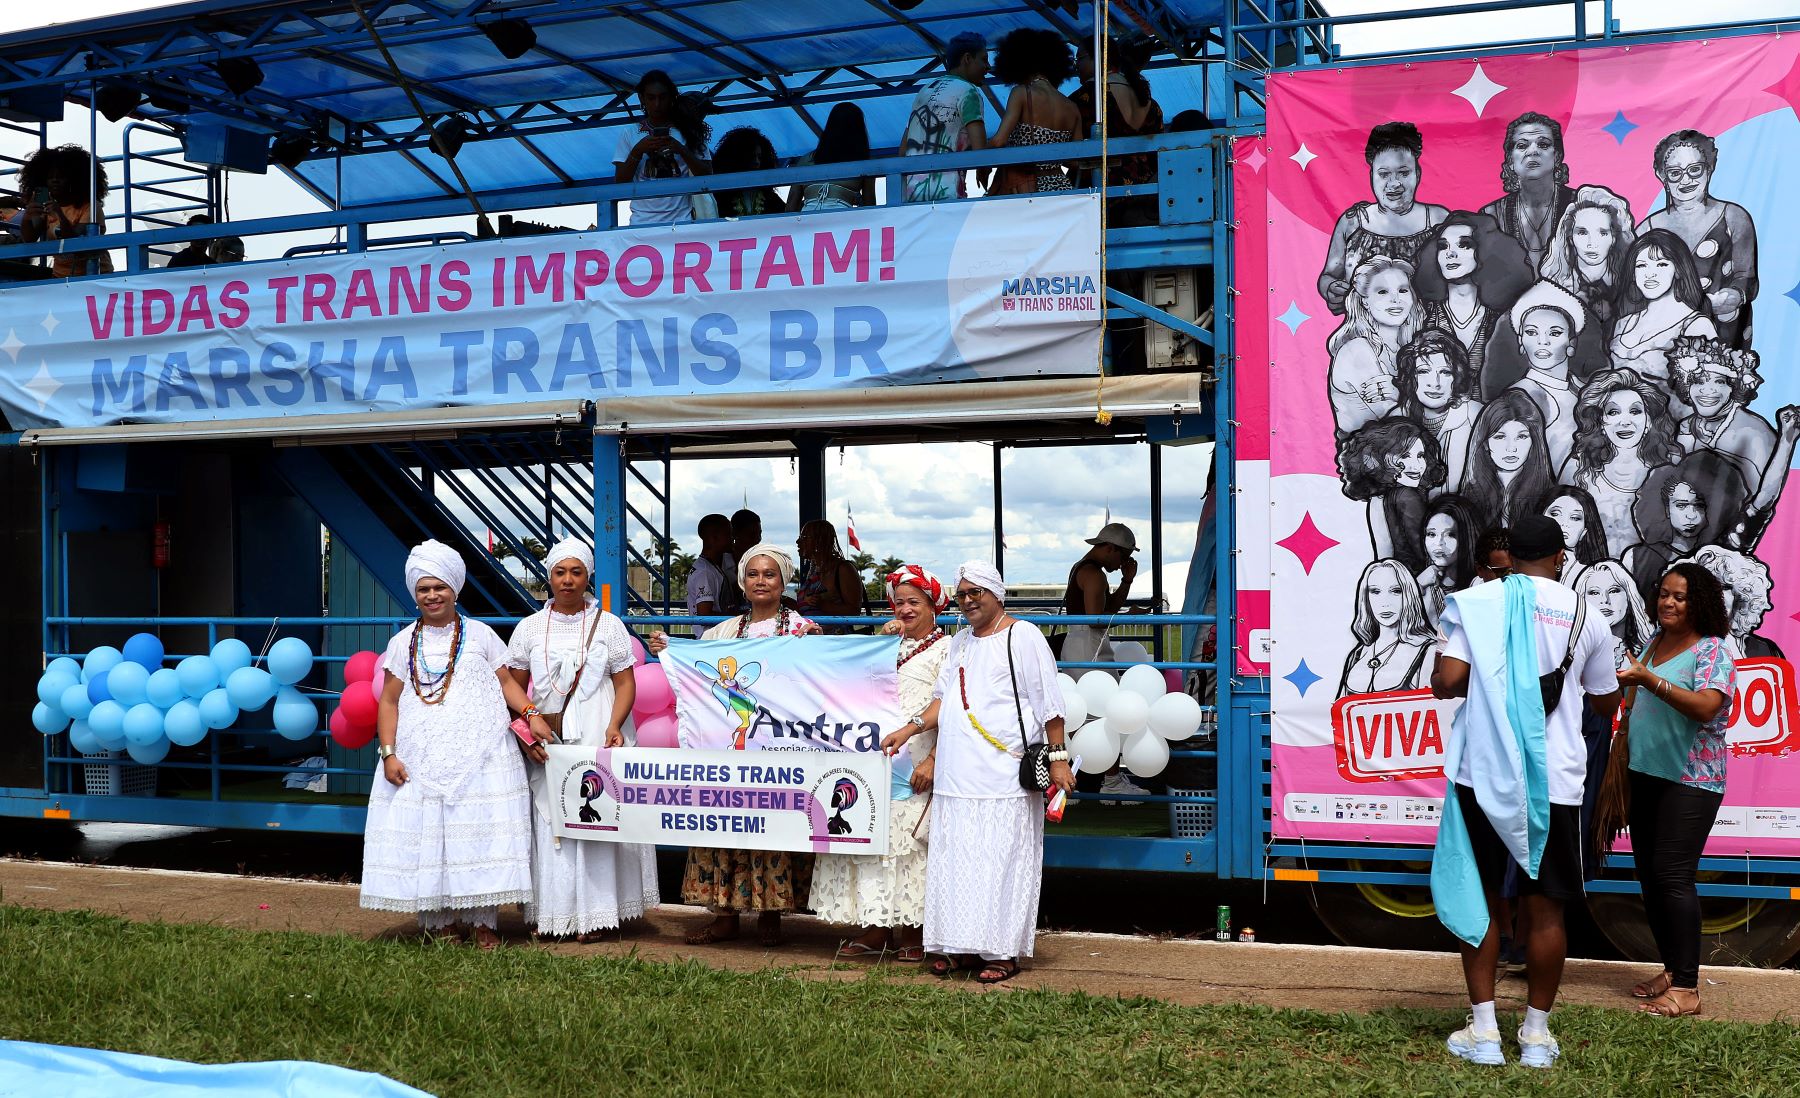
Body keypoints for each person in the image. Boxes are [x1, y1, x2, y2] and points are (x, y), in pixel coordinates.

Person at [1430, 515, 1621, 1068]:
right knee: (1546, 913)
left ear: (1509, 555)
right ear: (1561, 557)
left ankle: (1485, 1032)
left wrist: (1495, 671)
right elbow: (1605, 702)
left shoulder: (1480, 603)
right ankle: (1536, 1038)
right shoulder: (1588, 615)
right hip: (1556, 781)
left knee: (1486, 902)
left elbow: (1446, 682)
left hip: (1484, 774)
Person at [880, 561, 1073, 985]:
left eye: (975, 592)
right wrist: (908, 728)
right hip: (956, 773)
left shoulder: (1023, 636)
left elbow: (1049, 701)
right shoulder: (960, 641)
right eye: (962, 594)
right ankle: (958, 946)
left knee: (1001, 859)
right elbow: (941, 701)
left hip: (1004, 774)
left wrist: (1058, 757)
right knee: (957, 859)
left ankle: (1001, 952)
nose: (967, 601)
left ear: (996, 593)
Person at [359, 540, 535, 950]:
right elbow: (387, 700)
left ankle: (483, 922)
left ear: (455, 589)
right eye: (424, 589)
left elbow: (506, 682)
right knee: (432, 836)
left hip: (482, 755)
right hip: (421, 756)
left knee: (478, 836)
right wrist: (388, 753)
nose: (432, 595)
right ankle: (440, 923)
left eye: (440, 587)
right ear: (414, 593)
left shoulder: (482, 635)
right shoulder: (403, 642)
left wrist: (530, 714)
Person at [647, 543, 821, 946]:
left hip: (778, 755)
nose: (761, 581)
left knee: (773, 829)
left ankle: (771, 917)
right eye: (754, 575)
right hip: (731, 754)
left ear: (783, 582)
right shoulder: (722, 632)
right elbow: (695, 670)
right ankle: (723, 915)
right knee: (726, 826)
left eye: (770, 574)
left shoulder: (802, 630)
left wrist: (816, 645)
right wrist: (670, 650)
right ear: (743, 583)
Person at [504, 538, 659, 941]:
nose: (568, 581)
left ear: (587, 576)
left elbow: (625, 683)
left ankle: (596, 914)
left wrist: (615, 725)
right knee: (552, 815)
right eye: (560, 572)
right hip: (548, 734)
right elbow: (513, 687)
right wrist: (529, 722)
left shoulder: (609, 624)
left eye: (576, 572)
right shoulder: (529, 627)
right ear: (549, 576)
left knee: (597, 812)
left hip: (598, 729)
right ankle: (553, 912)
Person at [813, 565, 953, 961]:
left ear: (934, 607)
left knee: (909, 847)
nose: (905, 609)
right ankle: (875, 927)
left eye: (915, 602)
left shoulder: (947, 650)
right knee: (872, 840)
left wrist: (932, 760)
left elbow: (955, 710)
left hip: (918, 761)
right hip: (874, 760)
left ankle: (912, 930)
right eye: (900, 602)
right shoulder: (885, 646)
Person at [1614, 561, 1735, 1018]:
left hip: (1692, 780)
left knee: (1673, 877)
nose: (1668, 602)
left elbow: (1706, 707)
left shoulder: (1713, 650)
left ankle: (1687, 988)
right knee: (1651, 879)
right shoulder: (1655, 642)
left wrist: (1649, 680)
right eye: (1664, 593)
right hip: (1646, 773)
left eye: (1679, 596)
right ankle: (1671, 969)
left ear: (1698, 602)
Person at [1639, 130, 1757, 347]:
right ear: (1661, 175)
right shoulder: (1647, 229)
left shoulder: (1734, 217)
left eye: (1695, 170)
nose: (1686, 180)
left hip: (1723, 335)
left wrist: (1734, 296)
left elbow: (1747, 279)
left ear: (1709, 168)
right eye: (1675, 172)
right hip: (1664, 338)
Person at [1317, 122, 1449, 314]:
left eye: (1403, 173)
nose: (1394, 184)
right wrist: (1331, 288)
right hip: (1365, 338)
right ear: (1372, 175)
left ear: (1417, 174)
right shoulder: (1353, 221)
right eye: (1384, 174)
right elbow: (1328, 275)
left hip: (1427, 336)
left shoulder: (1439, 220)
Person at [1409, 211, 1535, 400]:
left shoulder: (1505, 320)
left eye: (1464, 245)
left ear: (1486, 252)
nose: (1450, 253)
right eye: (1443, 247)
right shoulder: (1422, 315)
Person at [1564, 368, 1682, 559]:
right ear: (1601, 421)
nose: (1625, 422)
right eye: (1613, 412)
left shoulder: (1671, 468)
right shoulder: (1578, 468)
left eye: (1635, 411)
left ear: (1649, 421)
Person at [1669, 338, 1800, 507]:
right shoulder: (1687, 426)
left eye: (1720, 382)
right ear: (1687, 386)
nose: (1707, 390)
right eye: (1698, 381)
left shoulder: (1754, 433)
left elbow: (1766, 501)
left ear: (1734, 387)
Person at [1626, 449, 1748, 605]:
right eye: (1681, 505)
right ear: (1666, 509)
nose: (1691, 515)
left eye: (1699, 506)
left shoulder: (1722, 561)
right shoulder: (1636, 557)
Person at [1608, 229, 1717, 401]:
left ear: (1679, 270)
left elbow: (1708, 394)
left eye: (1661, 264)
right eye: (1641, 265)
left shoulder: (1697, 325)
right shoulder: (1623, 323)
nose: (1650, 273)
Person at [1327, 255, 1424, 437]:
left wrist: (1400, 391)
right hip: (1367, 458)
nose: (1395, 300)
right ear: (1364, 301)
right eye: (1382, 292)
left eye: (1403, 290)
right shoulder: (1356, 350)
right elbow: (1399, 424)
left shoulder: (1410, 348)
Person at [1072, 37, 1162, 225]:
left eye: (1079, 58)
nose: (1076, 66)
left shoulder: (1088, 96)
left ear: (1097, 57)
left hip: (1106, 193)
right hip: (1147, 194)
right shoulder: (1150, 102)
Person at [1336, 417, 1444, 573]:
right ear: (1381, 458)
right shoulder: (1406, 496)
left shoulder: (1379, 497)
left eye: (1420, 455)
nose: (1416, 466)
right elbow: (1427, 551)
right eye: (1405, 456)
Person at [985, 28, 1080, 195]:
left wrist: (977, 159)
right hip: (1060, 188)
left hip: (1026, 189)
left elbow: (999, 141)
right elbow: (1074, 161)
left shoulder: (1022, 93)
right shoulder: (1072, 107)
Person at [1504, 283, 1587, 474]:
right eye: (1532, 332)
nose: (1543, 341)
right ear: (1521, 341)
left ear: (1571, 342)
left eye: (1555, 333)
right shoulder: (1523, 394)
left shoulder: (1582, 389)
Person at [612, 70, 712, 225]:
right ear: (642, 98)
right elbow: (620, 183)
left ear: (672, 97)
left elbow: (708, 175)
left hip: (682, 221)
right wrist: (637, 151)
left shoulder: (689, 131)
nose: (657, 104)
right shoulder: (629, 133)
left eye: (662, 97)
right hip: (641, 222)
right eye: (651, 98)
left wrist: (681, 150)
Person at [1480, 112, 1577, 272]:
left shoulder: (1581, 205)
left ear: (1557, 157)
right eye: (1522, 145)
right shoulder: (1491, 215)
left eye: (1543, 145)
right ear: (1510, 161)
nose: (1533, 151)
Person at [899, 32, 989, 203]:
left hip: (911, 194)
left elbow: (903, 150)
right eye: (984, 59)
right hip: (947, 193)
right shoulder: (969, 91)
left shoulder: (924, 90)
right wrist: (984, 171)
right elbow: (980, 149)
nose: (988, 67)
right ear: (967, 58)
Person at [1539, 185, 1635, 341]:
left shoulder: (1632, 283)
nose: (1592, 243)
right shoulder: (1554, 288)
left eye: (1602, 233)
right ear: (1570, 237)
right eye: (1582, 232)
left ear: (1614, 238)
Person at [1336, 557, 1438, 697]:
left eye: (1396, 591)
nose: (1385, 602)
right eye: (1375, 591)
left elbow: (1431, 713)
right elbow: (1338, 713)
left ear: (1408, 594)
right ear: (1366, 598)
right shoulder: (1358, 654)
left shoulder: (1428, 651)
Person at [1397, 331, 1482, 496]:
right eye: (1423, 371)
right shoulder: (1396, 417)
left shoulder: (1476, 415)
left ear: (1457, 377)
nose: (1434, 384)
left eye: (1445, 372)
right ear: (1411, 376)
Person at [1460, 390, 1554, 528]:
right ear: (1485, 443)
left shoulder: (1549, 499)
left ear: (1534, 442)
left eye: (1521, 437)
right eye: (1500, 437)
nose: (1511, 448)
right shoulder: (1469, 498)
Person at [17, 144, 113, 278]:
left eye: (61, 177)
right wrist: (27, 217)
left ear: (75, 179)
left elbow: (73, 242)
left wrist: (60, 215)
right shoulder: (46, 207)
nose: (55, 180)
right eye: (50, 177)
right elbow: (29, 238)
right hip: (60, 277)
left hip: (95, 275)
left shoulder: (90, 206)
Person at [1677, 546, 1784, 660]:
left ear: (1741, 597)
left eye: (1724, 587)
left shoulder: (1765, 651)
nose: (1714, 595)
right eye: (1703, 588)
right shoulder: (1667, 646)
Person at [1059, 521, 1139, 667]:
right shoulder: (1094, 574)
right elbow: (1095, 620)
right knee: (1106, 687)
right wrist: (1129, 616)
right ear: (1110, 548)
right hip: (1087, 647)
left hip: (1080, 644)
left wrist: (1126, 581)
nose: (1123, 564)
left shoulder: (1081, 567)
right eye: (1124, 557)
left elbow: (1107, 609)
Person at [789, 104, 876, 212]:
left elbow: (790, 207)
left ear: (830, 127)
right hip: (842, 219)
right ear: (858, 130)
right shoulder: (864, 163)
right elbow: (870, 208)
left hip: (807, 218)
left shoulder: (806, 160)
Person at [1573, 559, 1652, 672]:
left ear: (1630, 597)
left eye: (1613, 591)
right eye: (1594, 593)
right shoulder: (1571, 649)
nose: (1605, 600)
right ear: (1582, 599)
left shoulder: (1650, 649)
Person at [1417, 494, 1481, 623]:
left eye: (1450, 535)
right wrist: (1416, 587)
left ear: (1468, 538)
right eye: (1431, 534)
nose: (1439, 543)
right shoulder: (1422, 584)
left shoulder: (1479, 585)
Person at [794, 519, 864, 625]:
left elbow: (854, 611)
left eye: (804, 538)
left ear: (819, 541)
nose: (798, 542)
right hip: (812, 636)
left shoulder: (843, 569)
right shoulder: (813, 570)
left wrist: (822, 604)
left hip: (835, 638)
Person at [1540, 485, 1607, 585]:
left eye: (1575, 518)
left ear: (1584, 531)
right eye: (1555, 514)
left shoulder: (1592, 576)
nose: (1563, 523)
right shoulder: (1520, 567)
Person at [685, 513, 740, 636]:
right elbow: (705, 615)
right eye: (728, 534)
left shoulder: (712, 567)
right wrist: (737, 618)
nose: (733, 538)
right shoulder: (704, 572)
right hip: (710, 638)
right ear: (713, 537)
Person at [710, 127, 782, 218]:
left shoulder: (771, 198)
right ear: (737, 158)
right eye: (751, 157)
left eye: (759, 157)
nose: (757, 162)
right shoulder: (720, 197)